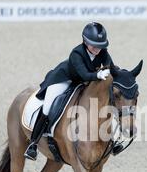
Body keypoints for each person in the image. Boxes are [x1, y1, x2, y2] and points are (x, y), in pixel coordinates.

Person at [24, 22, 113, 161]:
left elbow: (112, 68)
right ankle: (33, 144)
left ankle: (111, 140)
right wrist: (97, 75)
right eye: (94, 45)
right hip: (63, 79)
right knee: (47, 108)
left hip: (82, 82)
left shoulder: (103, 52)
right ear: (85, 41)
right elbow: (84, 73)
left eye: (100, 46)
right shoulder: (77, 53)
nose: (97, 49)